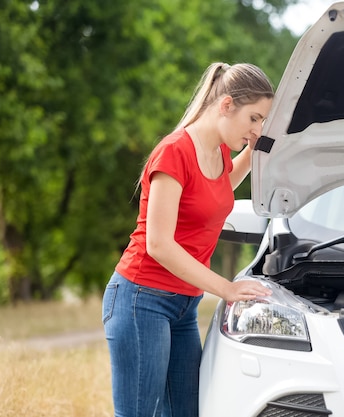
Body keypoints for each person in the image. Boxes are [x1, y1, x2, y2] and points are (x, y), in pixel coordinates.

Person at [101, 62, 274, 417]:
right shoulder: (174, 152)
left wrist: (255, 150)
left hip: (183, 306)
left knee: (186, 411)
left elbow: (221, 187)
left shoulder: (219, 151)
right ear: (226, 105)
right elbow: (159, 244)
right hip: (141, 300)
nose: (257, 128)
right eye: (254, 119)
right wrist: (226, 289)